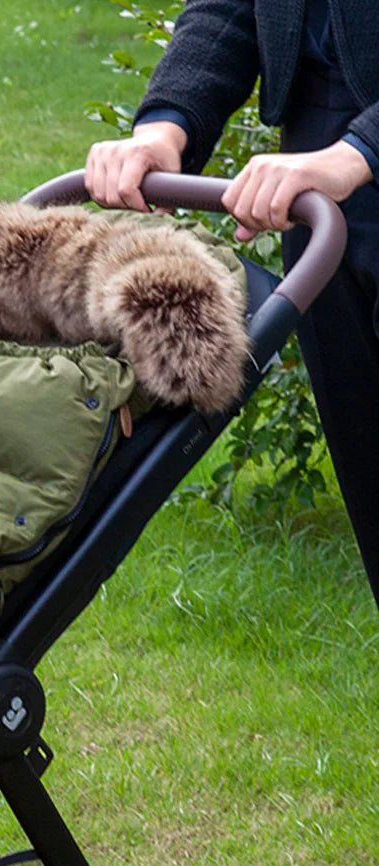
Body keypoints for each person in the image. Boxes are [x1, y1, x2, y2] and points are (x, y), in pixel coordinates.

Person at [85, 0, 379, 610]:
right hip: (318, 201)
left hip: (344, 164)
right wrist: (164, 126)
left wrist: (358, 153)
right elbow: (229, 10)